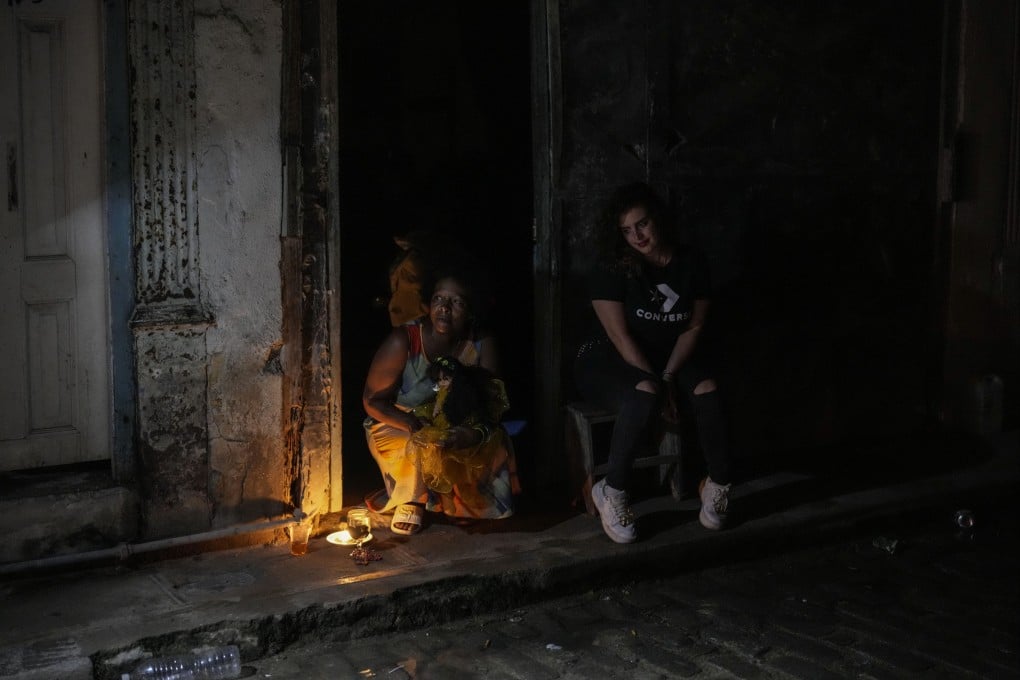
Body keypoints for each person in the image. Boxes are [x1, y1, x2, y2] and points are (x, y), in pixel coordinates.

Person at [574, 181, 734, 544]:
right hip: (607, 356)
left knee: (708, 388)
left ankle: (718, 484)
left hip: (668, 354)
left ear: (658, 219)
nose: (637, 236)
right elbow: (619, 336)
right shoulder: (614, 267)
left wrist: (669, 374)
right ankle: (612, 491)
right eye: (627, 231)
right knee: (644, 392)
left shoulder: (691, 262)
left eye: (642, 224)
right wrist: (659, 385)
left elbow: (693, 325)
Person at [363, 267, 520, 535]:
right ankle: (414, 499)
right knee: (417, 445)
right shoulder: (404, 340)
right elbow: (372, 401)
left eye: (456, 302)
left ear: (471, 311)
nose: (445, 308)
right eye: (439, 299)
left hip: (454, 425)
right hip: (400, 422)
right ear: (428, 303)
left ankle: (458, 502)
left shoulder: (481, 343)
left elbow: (493, 405)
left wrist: (470, 434)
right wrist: (412, 423)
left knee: (496, 439)